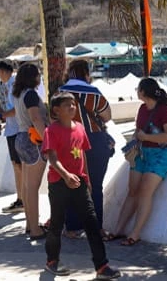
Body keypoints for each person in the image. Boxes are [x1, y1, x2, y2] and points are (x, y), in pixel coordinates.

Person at [42, 92, 121, 279]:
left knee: (92, 224)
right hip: (59, 183)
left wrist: (87, 180)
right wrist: (66, 175)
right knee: (57, 224)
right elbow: (51, 157)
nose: (72, 107)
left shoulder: (79, 127)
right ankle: (52, 261)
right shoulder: (51, 131)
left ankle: (102, 266)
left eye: (73, 104)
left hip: (79, 182)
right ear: (56, 110)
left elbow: (83, 154)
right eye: (67, 105)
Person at [107, 77, 167, 246]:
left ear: (144, 92)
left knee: (145, 191)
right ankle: (118, 229)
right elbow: (138, 130)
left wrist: (147, 137)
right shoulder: (142, 108)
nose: (136, 91)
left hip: (161, 153)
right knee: (133, 190)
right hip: (142, 152)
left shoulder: (164, 110)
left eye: (138, 89)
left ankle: (135, 233)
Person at [59, 58, 114, 239]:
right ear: (86, 73)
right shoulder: (94, 93)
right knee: (95, 185)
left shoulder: (61, 93)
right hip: (95, 141)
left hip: (70, 142)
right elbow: (107, 116)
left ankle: (72, 228)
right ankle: (96, 228)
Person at [11, 63, 50, 240]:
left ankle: (30, 223)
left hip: (20, 138)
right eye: (38, 75)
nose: (40, 78)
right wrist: (48, 140)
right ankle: (35, 229)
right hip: (33, 140)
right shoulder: (31, 95)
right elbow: (35, 118)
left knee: (27, 186)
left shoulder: (18, 94)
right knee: (33, 187)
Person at [0, 60, 24, 214]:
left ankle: (23, 199)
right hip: (11, 129)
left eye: (0, 72)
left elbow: (16, 109)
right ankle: (20, 199)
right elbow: (6, 106)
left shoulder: (14, 86)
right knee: (16, 165)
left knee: (20, 166)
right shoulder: (4, 86)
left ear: (6, 72)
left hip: (18, 129)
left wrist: (0, 116)